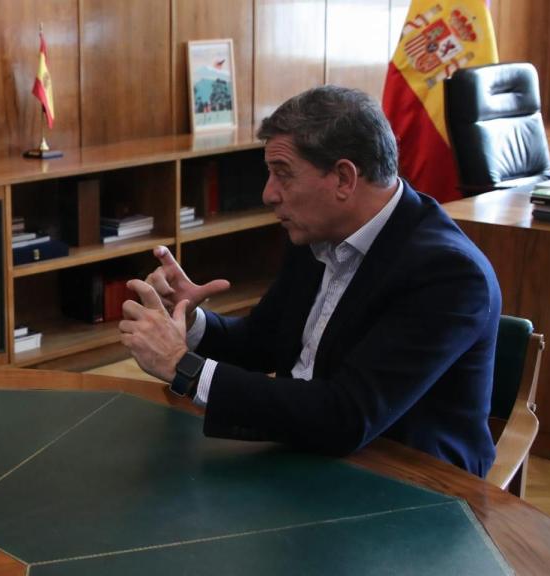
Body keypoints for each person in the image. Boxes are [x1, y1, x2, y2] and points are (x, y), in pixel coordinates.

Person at [120, 85, 500, 477]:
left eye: (283, 174)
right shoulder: (318, 232)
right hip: (308, 452)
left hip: (409, 483)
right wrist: (188, 321)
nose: (268, 194)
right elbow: (263, 342)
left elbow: (345, 416)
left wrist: (184, 366)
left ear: (343, 179)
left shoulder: (448, 274)